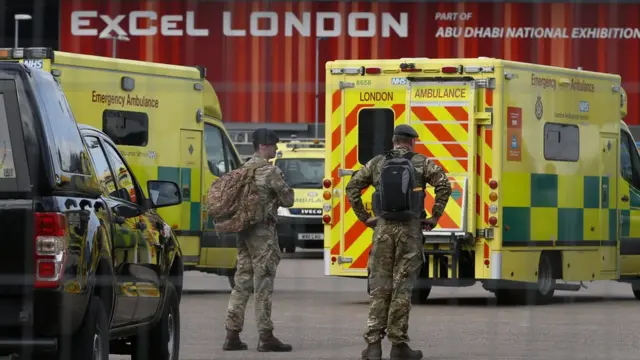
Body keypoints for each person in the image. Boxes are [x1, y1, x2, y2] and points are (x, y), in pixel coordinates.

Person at [345, 124, 452, 360]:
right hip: (410, 231)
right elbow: (445, 184)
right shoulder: (421, 162)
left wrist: (364, 217)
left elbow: (352, 185)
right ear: (412, 141)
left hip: (383, 230)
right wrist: (434, 216)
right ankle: (398, 345)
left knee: (380, 288)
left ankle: (373, 346)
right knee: (402, 289)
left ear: (394, 141)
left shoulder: (377, 162)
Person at [223, 128, 294, 352]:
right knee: (263, 283)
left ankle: (232, 335)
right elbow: (288, 199)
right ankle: (266, 336)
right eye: (273, 145)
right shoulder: (270, 171)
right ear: (263, 146)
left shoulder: (242, 169)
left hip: (243, 231)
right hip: (263, 233)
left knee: (242, 282)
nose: (275, 149)